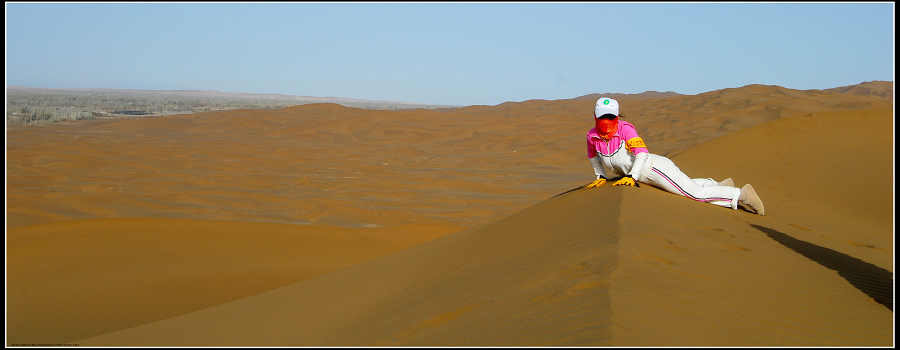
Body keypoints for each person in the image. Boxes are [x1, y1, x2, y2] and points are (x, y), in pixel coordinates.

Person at [583, 97, 765, 215]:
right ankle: (717, 185)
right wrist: (601, 176)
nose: (606, 121)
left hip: (653, 169)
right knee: (686, 185)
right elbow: (594, 157)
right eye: (602, 116)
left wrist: (632, 176)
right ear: (595, 116)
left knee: (695, 194)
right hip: (642, 177)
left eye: (611, 116)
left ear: (617, 116)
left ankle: (741, 195)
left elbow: (641, 153)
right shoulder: (592, 135)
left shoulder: (625, 129)